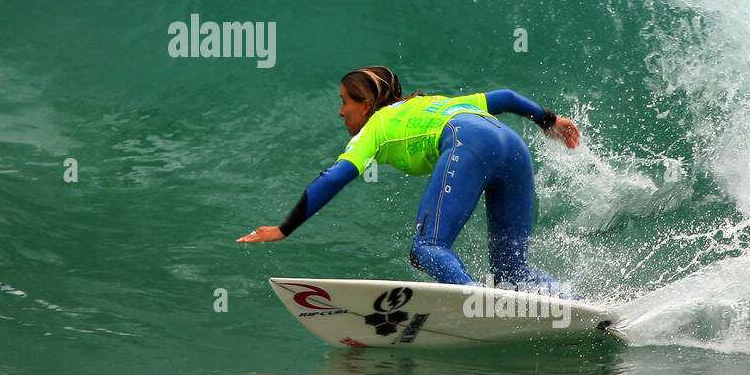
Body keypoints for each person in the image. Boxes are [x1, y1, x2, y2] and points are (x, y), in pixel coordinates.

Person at [236, 66, 582, 297]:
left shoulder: (377, 126)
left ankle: (476, 304)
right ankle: (579, 304)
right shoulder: (430, 104)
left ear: (367, 104)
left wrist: (285, 228)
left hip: (469, 142)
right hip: (512, 145)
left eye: (345, 101)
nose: (341, 111)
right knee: (512, 272)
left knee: (427, 248)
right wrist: (550, 121)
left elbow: (334, 177)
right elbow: (505, 98)